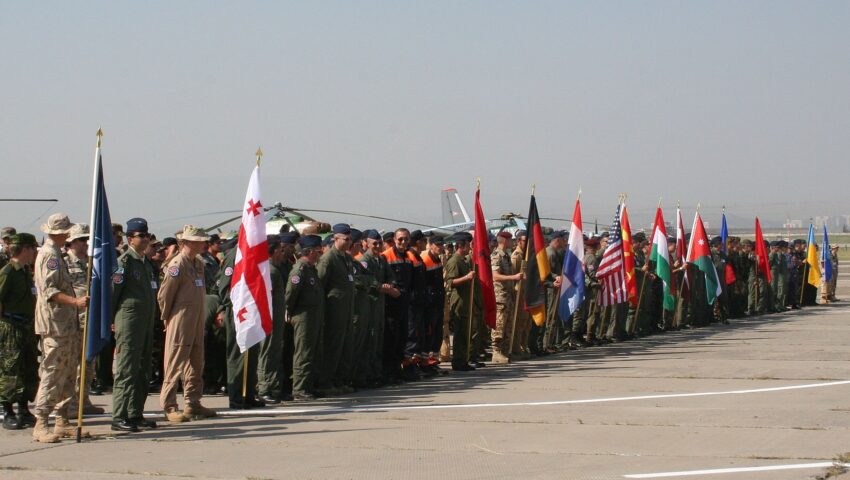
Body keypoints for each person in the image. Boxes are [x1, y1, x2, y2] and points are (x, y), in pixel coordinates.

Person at [32, 214, 89, 443]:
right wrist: (75, 302)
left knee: (67, 373)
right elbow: (49, 292)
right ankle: (41, 422)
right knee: (53, 372)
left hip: (67, 324)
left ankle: (62, 420)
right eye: (66, 231)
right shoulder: (49, 256)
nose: (69, 234)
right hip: (55, 325)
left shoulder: (57, 254)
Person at [157, 225, 217, 422]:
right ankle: (169, 405)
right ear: (188, 242)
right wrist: (166, 317)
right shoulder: (177, 264)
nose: (203, 244)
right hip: (181, 318)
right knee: (175, 361)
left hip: (197, 318)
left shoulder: (197, 263)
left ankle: (192, 402)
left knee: (196, 362)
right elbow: (165, 294)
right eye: (199, 241)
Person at [110, 218, 158, 431]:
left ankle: (135, 412)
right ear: (130, 238)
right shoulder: (124, 263)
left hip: (145, 322)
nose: (146, 239)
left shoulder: (145, 263)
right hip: (129, 322)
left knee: (143, 369)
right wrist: (112, 320)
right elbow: (113, 295)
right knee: (127, 368)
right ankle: (119, 415)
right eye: (141, 235)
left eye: (147, 235)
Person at [62, 224, 104, 418]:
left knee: (89, 362)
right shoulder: (63, 262)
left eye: (86, 239)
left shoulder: (91, 262)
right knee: (73, 364)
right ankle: (70, 404)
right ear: (71, 241)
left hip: (90, 318)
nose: (85, 242)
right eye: (81, 239)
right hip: (72, 320)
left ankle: (83, 400)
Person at [0, 233, 39, 430]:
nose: (34, 252)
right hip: (11, 326)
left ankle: (24, 408)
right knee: (10, 370)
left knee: (28, 368)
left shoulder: (25, 271)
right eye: (33, 248)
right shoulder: (8, 272)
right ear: (25, 249)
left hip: (26, 326)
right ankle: (7, 410)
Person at [317, 224, 355, 394]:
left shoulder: (346, 258)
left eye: (350, 239)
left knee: (344, 347)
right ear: (335, 239)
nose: (349, 242)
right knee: (332, 347)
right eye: (346, 239)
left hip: (346, 310)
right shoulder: (328, 258)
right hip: (334, 311)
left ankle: (339, 380)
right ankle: (326, 382)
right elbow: (320, 285)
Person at [287, 235, 325, 401]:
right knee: (303, 353)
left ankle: (308, 385)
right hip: (303, 317)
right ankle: (300, 388)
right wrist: (290, 312)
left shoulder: (311, 269)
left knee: (312, 352)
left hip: (313, 316)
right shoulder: (299, 270)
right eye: (317, 251)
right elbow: (290, 295)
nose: (320, 254)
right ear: (309, 251)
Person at [444, 232, 479, 371]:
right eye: (468, 244)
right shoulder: (454, 261)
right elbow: (450, 282)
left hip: (465, 301)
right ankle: (458, 361)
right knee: (459, 333)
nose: (470, 247)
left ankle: (463, 360)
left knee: (465, 332)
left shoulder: (463, 260)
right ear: (461, 245)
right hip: (458, 302)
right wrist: (467, 278)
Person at [257, 235, 285, 404]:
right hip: (268, 318)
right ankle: (264, 388)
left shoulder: (273, 269)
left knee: (273, 352)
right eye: (281, 250)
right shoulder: (270, 270)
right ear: (275, 251)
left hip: (276, 317)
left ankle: (272, 386)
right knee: (266, 353)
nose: (283, 254)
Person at [491, 231, 522, 364]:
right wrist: (513, 277)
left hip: (508, 296)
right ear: (504, 240)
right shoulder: (496, 255)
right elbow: (495, 276)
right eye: (511, 240)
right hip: (500, 297)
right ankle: (496, 352)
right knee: (499, 325)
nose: (513, 242)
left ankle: (505, 351)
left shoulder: (506, 256)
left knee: (508, 326)